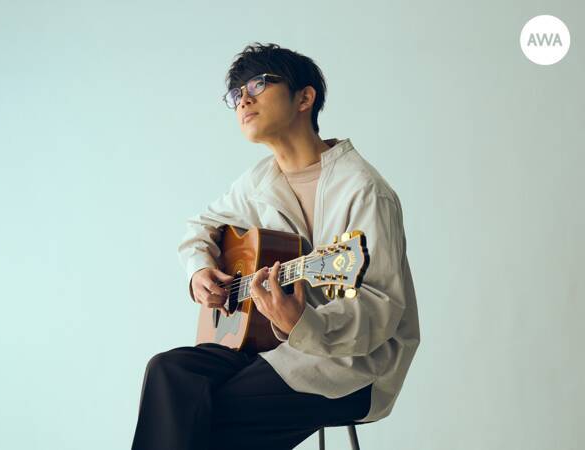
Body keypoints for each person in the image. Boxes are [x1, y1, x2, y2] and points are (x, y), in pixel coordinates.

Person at [131, 42, 420, 450]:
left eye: (258, 84)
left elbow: (381, 308)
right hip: (270, 345)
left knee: (213, 411)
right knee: (170, 373)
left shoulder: (364, 190)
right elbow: (201, 227)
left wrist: (302, 322)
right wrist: (199, 271)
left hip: (353, 363)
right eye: (236, 94)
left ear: (304, 98)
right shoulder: (259, 181)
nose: (243, 100)